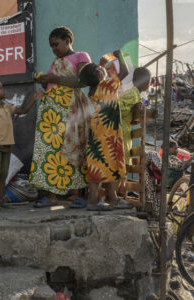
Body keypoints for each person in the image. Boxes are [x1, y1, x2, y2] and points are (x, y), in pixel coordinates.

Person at [30, 26, 91, 209]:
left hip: (71, 110)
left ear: (67, 40)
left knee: (73, 149)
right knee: (50, 151)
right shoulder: (57, 61)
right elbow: (53, 80)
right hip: (52, 113)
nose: (54, 49)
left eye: (56, 44)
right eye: (51, 46)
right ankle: (51, 196)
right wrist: (43, 79)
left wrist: (54, 79)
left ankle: (79, 193)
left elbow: (82, 80)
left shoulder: (81, 57)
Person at [80, 50, 132, 211]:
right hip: (108, 131)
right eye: (99, 68)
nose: (102, 68)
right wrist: (119, 55)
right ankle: (93, 202)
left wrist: (101, 65)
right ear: (99, 75)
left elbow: (97, 75)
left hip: (98, 129)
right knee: (106, 163)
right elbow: (124, 71)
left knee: (103, 163)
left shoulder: (94, 89)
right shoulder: (107, 85)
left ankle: (111, 198)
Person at [0, 80, 42, 210]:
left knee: (4, 173)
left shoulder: (6, 106)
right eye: (0, 88)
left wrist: (33, 98)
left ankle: (0, 200)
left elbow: (23, 110)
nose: (3, 90)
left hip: (8, 145)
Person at [144, 139, 194, 219]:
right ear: (168, 148)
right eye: (175, 148)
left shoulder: (162, 157)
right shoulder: (169, 157)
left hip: (160, 183)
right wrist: (193, 156)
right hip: (167, 182)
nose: (177, 151)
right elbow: (182, 166)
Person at [118, 67, 151, 197]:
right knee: (123, 162)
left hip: (126, 130)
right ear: (140, 81)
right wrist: (132, 109)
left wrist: (134, 112)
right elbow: (118, 108)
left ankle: (121, 192)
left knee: (125, 161)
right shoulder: (132, 93)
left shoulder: (136, 94)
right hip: (122, 131)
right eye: (148, 81)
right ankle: (119, 193)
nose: (149, 84)